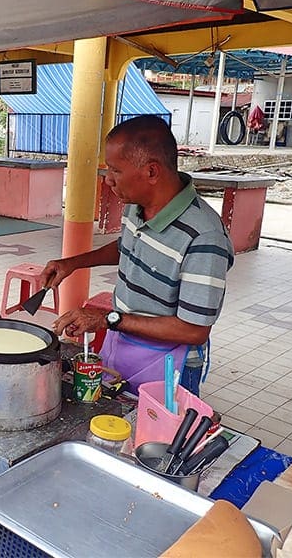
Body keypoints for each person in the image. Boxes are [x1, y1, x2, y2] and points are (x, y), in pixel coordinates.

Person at [39, 116, 234, 396]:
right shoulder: (137, 204)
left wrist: (106, 319)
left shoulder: (204, 237)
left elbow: (194, 330)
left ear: (152, 172)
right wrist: (72, 264)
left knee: (156, 438)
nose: (108, 181)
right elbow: (127, 247)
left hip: (170, 367)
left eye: (116, 171)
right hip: (122, 344)